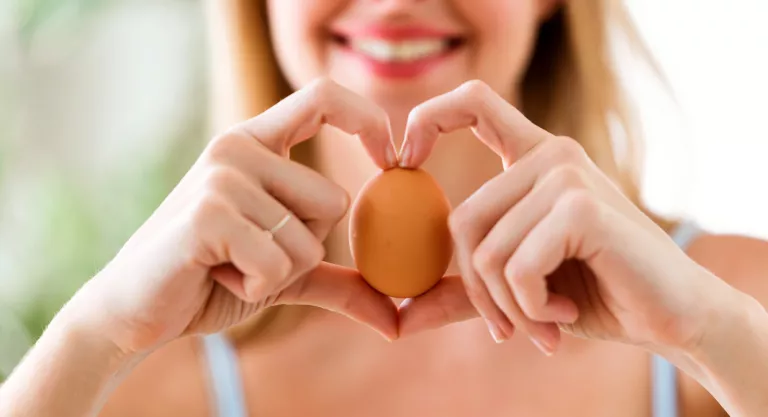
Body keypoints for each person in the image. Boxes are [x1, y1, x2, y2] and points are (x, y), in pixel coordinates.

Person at [2, 0, 768, 416]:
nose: (398, 3)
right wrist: (94, 337)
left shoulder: (731, 306)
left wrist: (714, 337)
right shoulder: (143, 382)